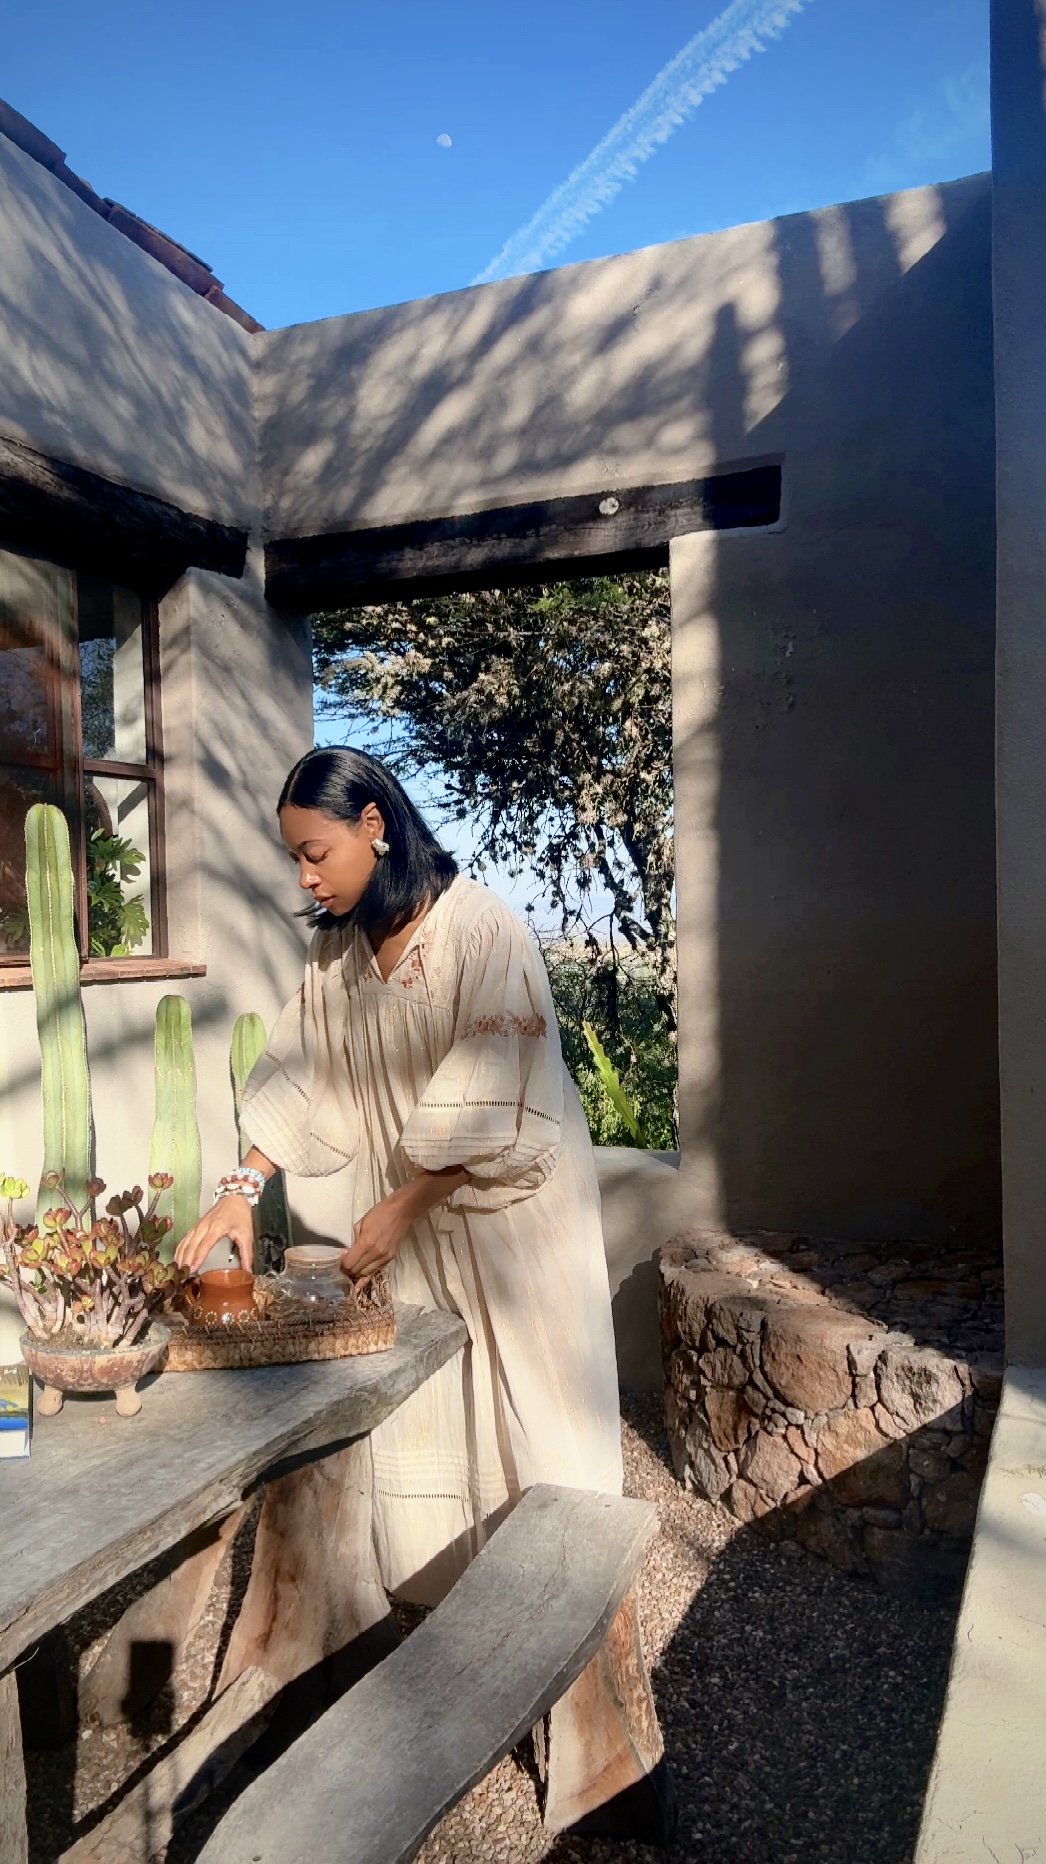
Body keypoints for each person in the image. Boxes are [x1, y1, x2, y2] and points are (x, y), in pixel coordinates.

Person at [175, 746, 623, 1604]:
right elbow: (305, 1071)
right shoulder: (339, 954)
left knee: (536, 1421)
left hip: (510, 1219)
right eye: (295, 858)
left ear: (373, 827)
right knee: (427, 1413)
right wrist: (241, 1191)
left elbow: (505, 1089)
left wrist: (409, 1203)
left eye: (317, 853)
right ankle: (448, 1640)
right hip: (405, 1220)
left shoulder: (481, 930)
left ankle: (564, 1634)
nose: (306, 877)